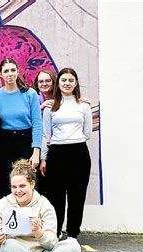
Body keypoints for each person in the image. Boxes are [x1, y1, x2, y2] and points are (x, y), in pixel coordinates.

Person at [0, 159, 81, 252]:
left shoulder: (45, 205)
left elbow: (50, 244)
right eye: (14, 187)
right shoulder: (1, 206)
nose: (18, 191)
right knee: (9, 244)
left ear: (32, 184)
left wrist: (39, 231)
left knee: (72, 245)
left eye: (22, 186)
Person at [40, 68, 92, 239]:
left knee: (77, 197)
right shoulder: (50, 106)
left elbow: (87, 133)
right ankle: (54, 234)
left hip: (79, 153)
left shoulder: (84, 106)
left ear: (76, 83)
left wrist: (72, 139)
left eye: (71, 80)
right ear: (58, 83)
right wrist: (44, 158)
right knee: (56, 197)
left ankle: (72, 235)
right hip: (56, 154)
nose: (67, 83)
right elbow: (47, 134)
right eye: (64, 80)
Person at [0, 58, 42, 199]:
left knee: (28, 181)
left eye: (13, 70)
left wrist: (36, 151)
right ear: (1, 75)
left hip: (26, 141)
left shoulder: (30, 94)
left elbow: (37, 123)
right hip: (4, 142)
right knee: (6, 183)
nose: (10, 74)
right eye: (6, 71)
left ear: (18, 72)